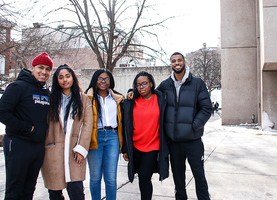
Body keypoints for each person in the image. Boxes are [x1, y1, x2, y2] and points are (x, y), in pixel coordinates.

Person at [127, 52, 212, 200]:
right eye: (173, 61)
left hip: (193, 140)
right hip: (174, 142)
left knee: (199, 176)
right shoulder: (165, 85)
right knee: (179, 180)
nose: (176, 63)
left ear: (184, 63)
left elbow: (206, 109)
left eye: (179, 60)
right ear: (171, 64)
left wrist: (193, 126)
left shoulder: (197, 83)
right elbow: (148, 92)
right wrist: (131, 92)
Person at [0, 52, 53, 199]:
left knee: (29, 189)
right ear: (32, 67)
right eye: (40, 67)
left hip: (37, 147)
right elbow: (0, 113)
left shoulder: (46, 92)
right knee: (15, 189)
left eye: (47, 69)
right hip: (18, 143)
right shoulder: (17, 87)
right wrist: (27, 128)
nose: (44, 72)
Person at [41, 64, 93, 200]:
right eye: (61, 77)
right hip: (53, 151)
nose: (65, 80)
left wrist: (81, 149)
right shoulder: (50, 98)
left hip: (74, 150)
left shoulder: (83, 99)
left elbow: (88, 125)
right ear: (56, 80)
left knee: (76, 190)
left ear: (73, 78)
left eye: (68, 76)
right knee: (54, 192)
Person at [122, 71, 169, 200]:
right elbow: (125, 127)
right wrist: (125, 148)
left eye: (144, 83)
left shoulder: (161, 99)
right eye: (138, 84)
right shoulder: (130, 101)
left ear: (151, 84)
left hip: (153, 145)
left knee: (144, 176)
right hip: (135, 145)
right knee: (139, 176)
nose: (141, 87)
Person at [85, 69, 124, 200]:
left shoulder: (117, 98)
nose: (103, 81)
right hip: (95, 136)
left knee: (111, 177)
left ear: (110, 81)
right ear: (95, 80)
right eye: (100, 78)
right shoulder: (87, 97)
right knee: (95, 176)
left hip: (113, 136)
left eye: (106, 78)